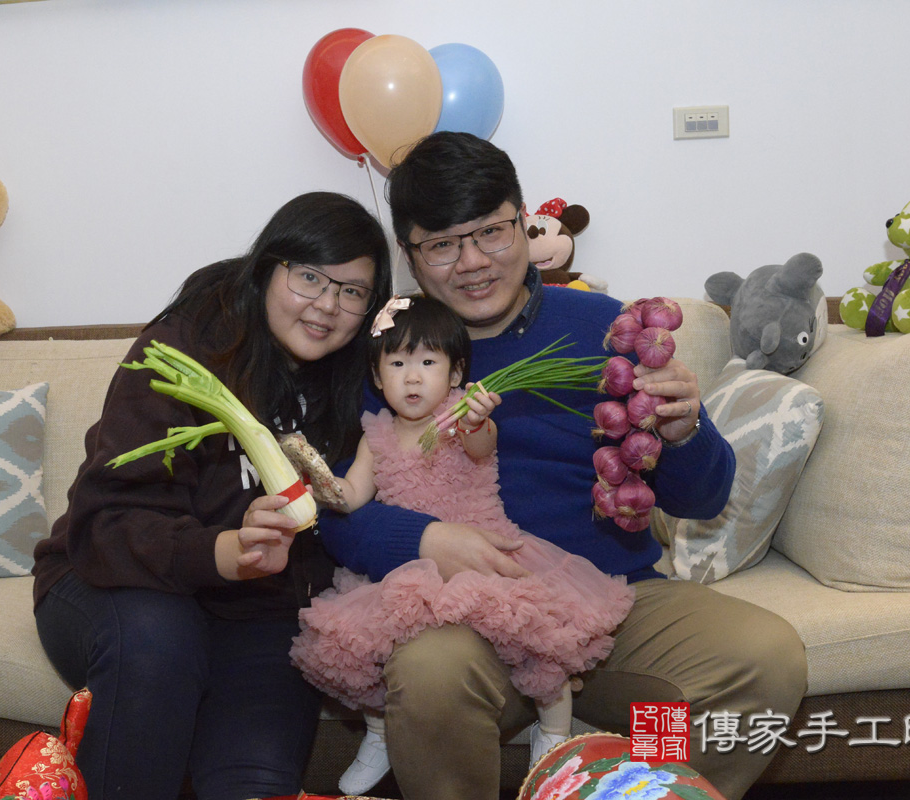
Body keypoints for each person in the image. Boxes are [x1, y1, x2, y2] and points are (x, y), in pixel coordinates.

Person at [317, 133, 808, 800]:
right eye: (442, 245)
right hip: (459, 617)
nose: (472, 262)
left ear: (524, 221)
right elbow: (335, 512)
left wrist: (684, 431)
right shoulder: (386, 351)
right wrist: (427, 539)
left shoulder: (605, 328)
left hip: (611, 604)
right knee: (430, 673)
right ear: (409, 254)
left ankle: (627, 792)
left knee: (762, 658)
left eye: (490, 232)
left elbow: (703, 499)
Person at [30, 191, 392, 800]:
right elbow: (107, 524)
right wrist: (223, 551)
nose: (328, 306)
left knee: (254, 782)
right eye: (309, 277)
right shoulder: (182, 351)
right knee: (161, 644)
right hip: (117, 583)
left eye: (352, 291)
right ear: (268, 267)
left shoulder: (362, 375)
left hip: (260, 613)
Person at [289, 295, 635, 795]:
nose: (412, 378)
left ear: (455, 374)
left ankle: (555, 737)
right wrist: (318, 481)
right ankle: (381, 733)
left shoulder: (460, 419)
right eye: (397, 364)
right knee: (365, 649)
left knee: (539, 639)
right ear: (377, 376)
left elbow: (480, 445)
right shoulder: (375, 435)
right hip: (411, 569)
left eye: (428, 363)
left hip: (486, 556)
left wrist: (475, 420)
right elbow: (353, 495)